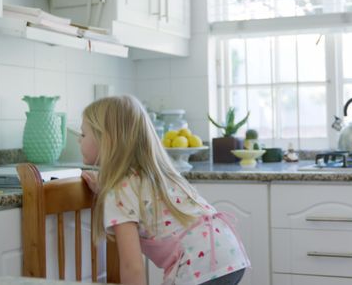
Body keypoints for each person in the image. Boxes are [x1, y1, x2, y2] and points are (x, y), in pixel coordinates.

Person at [78, 95, 249, 285]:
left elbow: (131, 267)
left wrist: (107, 193)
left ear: (106, 139)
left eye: (83, 134)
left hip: (200, 265)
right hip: (228, 252)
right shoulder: (156, 174)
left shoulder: (118, 192)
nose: (79, 140)